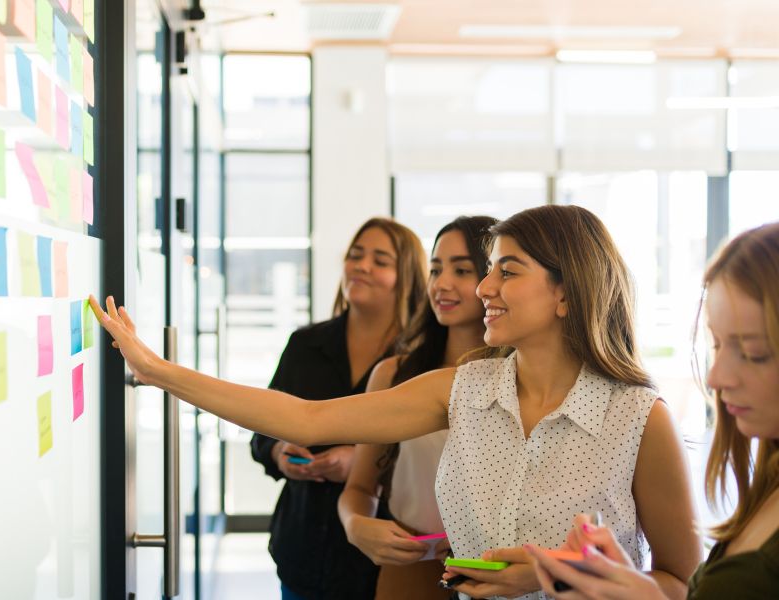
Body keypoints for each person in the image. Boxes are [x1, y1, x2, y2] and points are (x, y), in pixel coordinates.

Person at [89, 204, 702, 600]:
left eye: (506, 272)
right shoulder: (463, 389)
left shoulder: (637, 420)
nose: (482, 288)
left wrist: (559, 579)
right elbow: (305, 416)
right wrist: (157, 370)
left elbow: (682, 584)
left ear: (568, 293)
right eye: (486, 270)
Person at [527, 222, 779, 599]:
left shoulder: (640, 413)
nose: (716, 376)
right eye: (718, 345)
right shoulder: (766, 487)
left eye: (754, 353)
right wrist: (627, 586)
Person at [250, 217, 428, 600]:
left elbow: (430, 455)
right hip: (301, 550)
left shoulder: (417, 362)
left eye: (380, 260)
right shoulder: (305, 344)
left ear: (408, 277)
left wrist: (361, 462)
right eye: (355, 255)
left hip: (377, 561)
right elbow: (262, 431)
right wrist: (280, 452)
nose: (361, 266)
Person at [337, 216, 501, 600]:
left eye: (462, 270)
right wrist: (356, 526)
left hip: (498, 571)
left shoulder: (522, 378)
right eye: (435, 269)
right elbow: (358, 488)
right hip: (410, 567)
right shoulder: (394, 374)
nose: (442, 284)